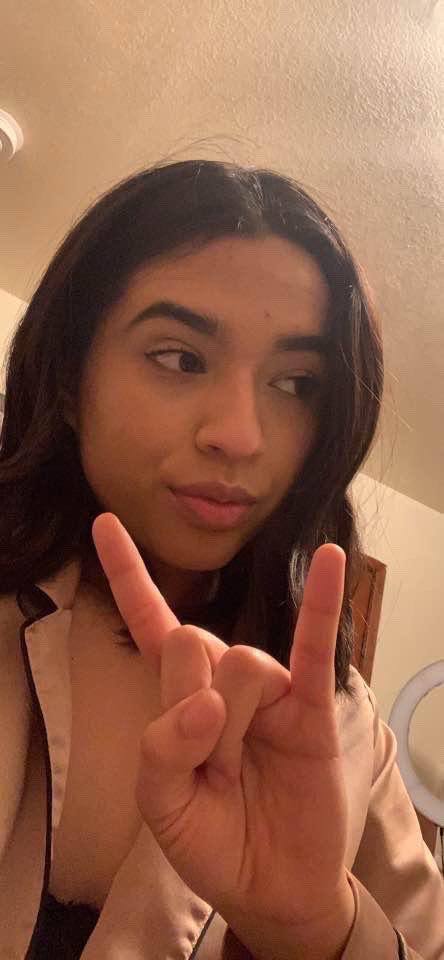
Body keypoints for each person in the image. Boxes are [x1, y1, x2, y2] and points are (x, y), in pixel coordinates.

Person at [0, 159, 442, 960]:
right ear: (69, 376)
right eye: (180, 358)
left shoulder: (350, 736)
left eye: (296, 383)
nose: (240, 435)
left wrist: (323, 929)